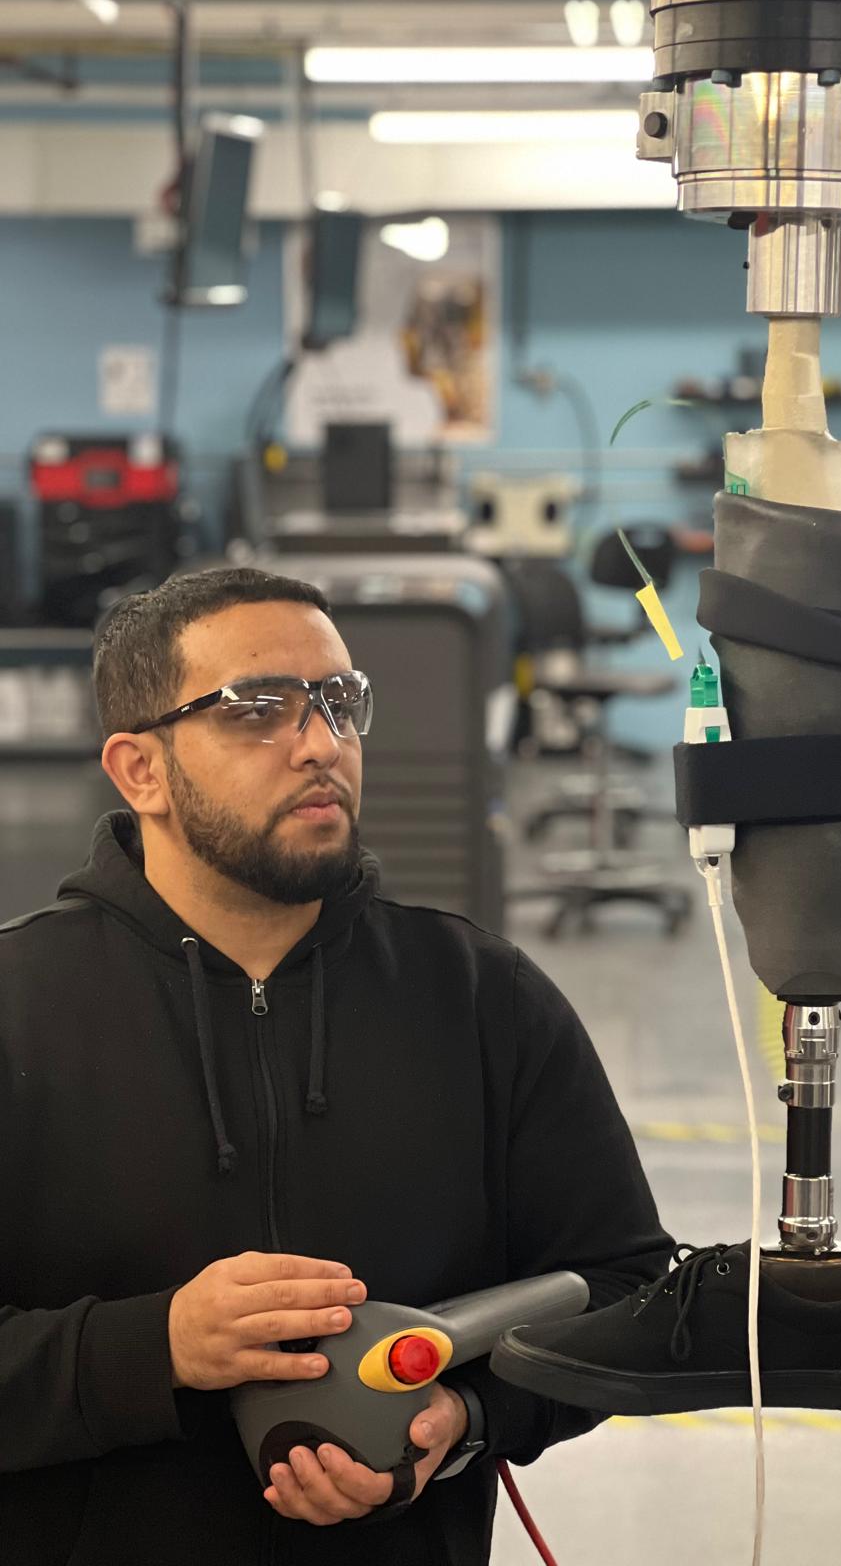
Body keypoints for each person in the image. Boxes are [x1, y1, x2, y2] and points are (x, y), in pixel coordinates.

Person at [0, 566, 673, 1566]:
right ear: (140, 771)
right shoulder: (18, 1008)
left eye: (338, 702)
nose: (321, 744)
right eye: (257, 709)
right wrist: (155, 1348)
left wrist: (466, 1417)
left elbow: (630, 1289)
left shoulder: (483, 997)